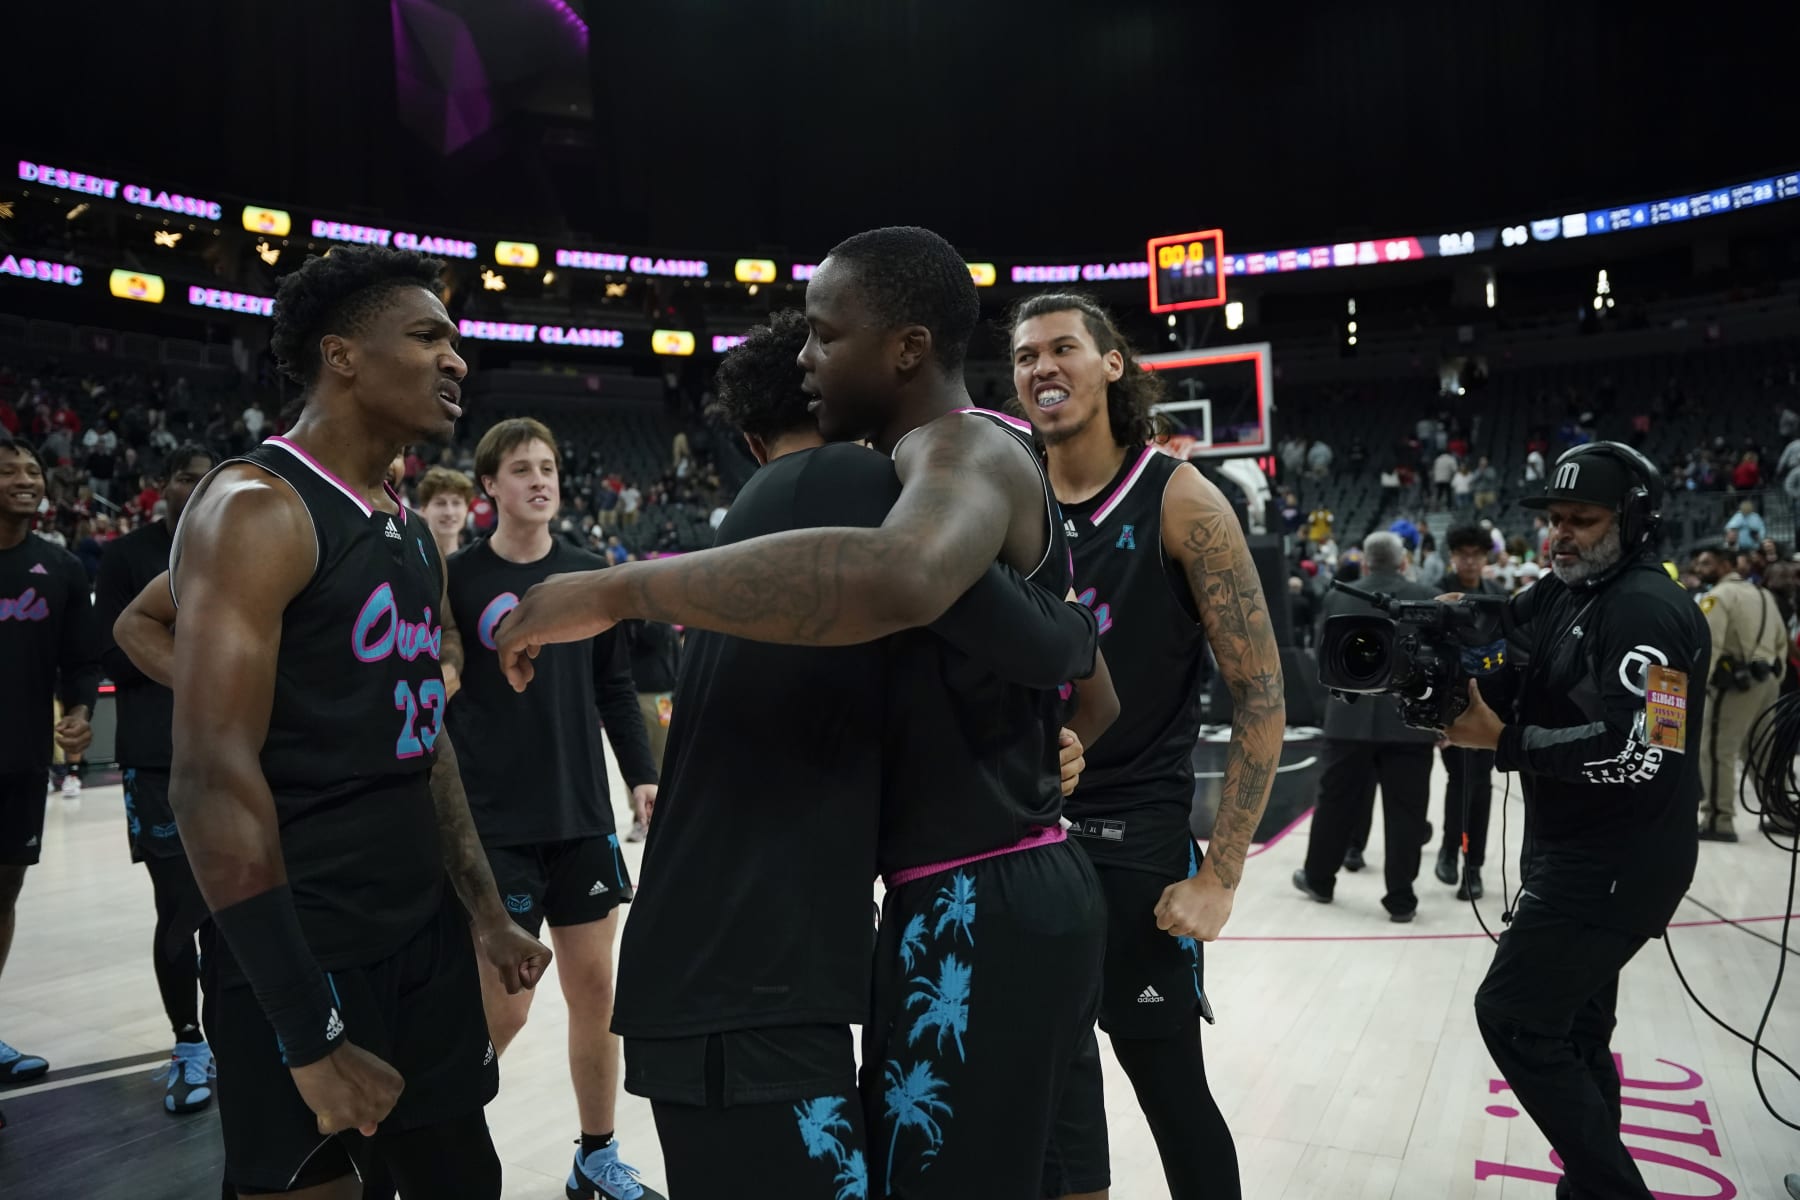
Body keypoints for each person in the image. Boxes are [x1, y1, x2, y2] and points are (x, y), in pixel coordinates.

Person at [497, 227, 1117, 1199]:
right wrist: (1052, 733)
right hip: (1017, 886)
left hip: (954, 904)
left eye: (825, 335)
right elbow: (1082, 666)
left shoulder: (928, 456)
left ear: (906, 348)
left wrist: (618, 588)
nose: (806, 355)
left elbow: (912, 578)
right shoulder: (922, 474)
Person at [166, 246, 551, 1198]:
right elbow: (211, 781)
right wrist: (307, 1030)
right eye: (426, 337)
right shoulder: (256, 507)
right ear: (340, 355)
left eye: (455, 341)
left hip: (422, 930)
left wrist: (486, 912)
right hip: (305, 939)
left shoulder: (410, 528)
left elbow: (423, 736)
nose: (456, 358)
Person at [1008, 294, 1285, 1200]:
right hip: (1020, 835)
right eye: (1025, 356)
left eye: (1062, 348)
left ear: (1111, 364)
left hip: (1135, 844)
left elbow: (1261, 696)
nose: (1042, 367)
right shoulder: (1004, 494)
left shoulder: (1182, 498)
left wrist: (1222, 876)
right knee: (1040, 1105)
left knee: (1170, 1090)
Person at [1444, 441, 1708, 1200]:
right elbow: (1499, 624)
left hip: (1620, 863)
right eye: (1554, 519)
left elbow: (1643, 753)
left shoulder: (1649, 611)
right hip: (1574, 848)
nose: (1560, 535)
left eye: (1581, 520)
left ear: (1634, 522)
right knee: (1576, 1028)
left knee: (1514, 1016)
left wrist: (1503, 741)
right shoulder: (1568, 589)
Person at [439, 417, 660, 1200]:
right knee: (507, 1008)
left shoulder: (589, 572)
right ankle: (431, 1142)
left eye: (549, 467)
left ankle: (595, 1156)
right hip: (493, 825)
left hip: (581, 816)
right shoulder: (456, 579)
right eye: (522, 468)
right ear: (489, 486)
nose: (541, 480)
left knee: (596, 996)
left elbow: (614, 689)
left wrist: (641, 775)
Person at [93, 441, 218, 1115]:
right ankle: (188, 1041)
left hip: (230, 751)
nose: (198, 489)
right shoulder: (126, 555)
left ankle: (235, 1032)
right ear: (159, 484)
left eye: (209, 479)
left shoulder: (235, 546)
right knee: (179, 906)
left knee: (237, 906)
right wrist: (202, 663)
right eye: (186, 478)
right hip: (156, 756)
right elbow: (114, 651)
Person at [0, 433, 98, 1113]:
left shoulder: (59, 568)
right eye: (8, 469)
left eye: (32, 469)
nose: (25, 478)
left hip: (21, 761)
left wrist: (81, 713)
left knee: (3, 893)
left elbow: (80, 663)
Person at [1295, 532, 1438, 921]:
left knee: (1334, 803)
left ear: (1365, 562)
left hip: (1348, 719)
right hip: (1409, 722)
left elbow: (1324, 656)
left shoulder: (1338, 597)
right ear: (1403, 561)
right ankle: (1401, 899)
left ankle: (1319, 879)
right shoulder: (1427, 595)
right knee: (1407, 812)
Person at [1432, 525, 1508, 901]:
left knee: (1481, 784)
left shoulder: (1497, 596)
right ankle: (1450, 849)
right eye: (1463, 553)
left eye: (1476, 554)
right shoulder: (1438, 593)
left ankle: (1472, 867)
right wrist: (1436, 722)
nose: (1469, 560)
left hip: (1490, 706)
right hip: (1451, 707)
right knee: (1461, 780)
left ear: (1485, 556)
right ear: (1452, 556)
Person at [1692, 545, 1785, 842]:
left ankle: (1718, 820)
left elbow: (1710, 644)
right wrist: (1776, 676)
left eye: (1706, 563)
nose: (1699, 569)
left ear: (1724, 565)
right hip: (1768, 680)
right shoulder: (1763, 594)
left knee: (1716, 749)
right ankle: (1782, 813)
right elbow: (1781, 642)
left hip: (1735, 685)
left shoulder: (1719, 596)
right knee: (1762, 751)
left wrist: (1697, 687)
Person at [622, 618, 681, 793]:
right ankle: (641, 804)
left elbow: (670, 648)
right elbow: (654, 637)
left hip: (663, 698)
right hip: (639, 696)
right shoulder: (632, 622)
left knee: (664, 753)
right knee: (639, 758)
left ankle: (664, 799)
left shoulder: (662, 621)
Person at [417, 465, 473, 573]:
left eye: (456, 503)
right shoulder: (411, 563)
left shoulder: (476, 565)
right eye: (440, 503)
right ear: (423, 510)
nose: (449, 512)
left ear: (466, 509)